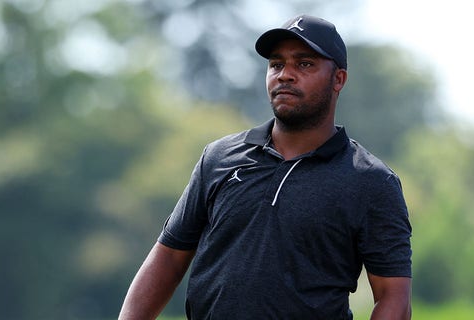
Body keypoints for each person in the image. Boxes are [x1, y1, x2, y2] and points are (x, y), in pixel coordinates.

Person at [119, 14, 412, 320]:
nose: (285, 74)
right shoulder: (218, 158)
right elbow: (169, 258)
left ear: (338, 79)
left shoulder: (371, 181)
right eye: (276, 64)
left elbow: (394, 297)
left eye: (304, 64)